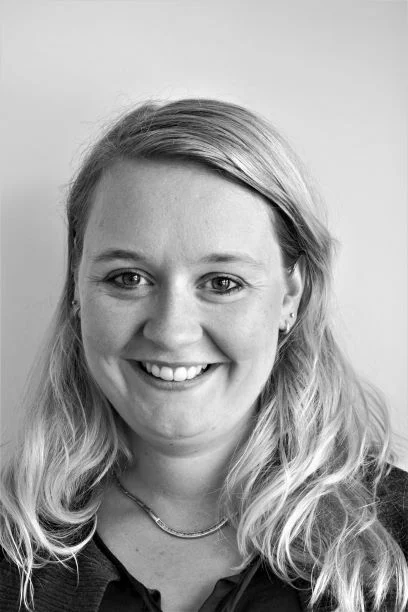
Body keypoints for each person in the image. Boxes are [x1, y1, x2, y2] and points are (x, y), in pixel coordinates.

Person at [0, 98, 407, 612]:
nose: (171, 332)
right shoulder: (10, 549)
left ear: (291, 296)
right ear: (77, 287)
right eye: (128, 278)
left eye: (222, 283)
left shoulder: (398, 537)